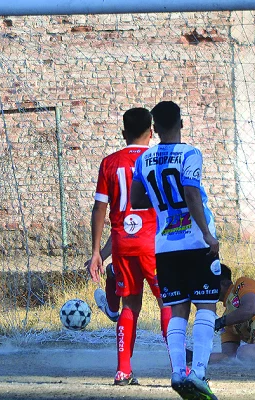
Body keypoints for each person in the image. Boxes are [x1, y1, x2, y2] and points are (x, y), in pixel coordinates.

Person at [131, 101, 219, 400]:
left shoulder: (144, 160)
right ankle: (199, 374)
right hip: (195, 241)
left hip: (165, 245)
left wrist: (161, 202)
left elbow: (138, 200)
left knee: (178, 308)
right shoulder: (190, 153)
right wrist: (207, 233)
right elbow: (192, 192)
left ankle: (178, 372)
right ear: (181, 122)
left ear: (154, 128)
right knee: (206, 306)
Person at [87, 107, 171, 386]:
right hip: (156, 243)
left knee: (130, 305)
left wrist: (97, 251)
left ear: (123, 133)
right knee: (167, 302)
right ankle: (179, 369)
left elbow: (100, 207)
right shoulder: (159, 159)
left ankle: (123, 370)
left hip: (123, 243)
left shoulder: (110, 163)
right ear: (152, 131)